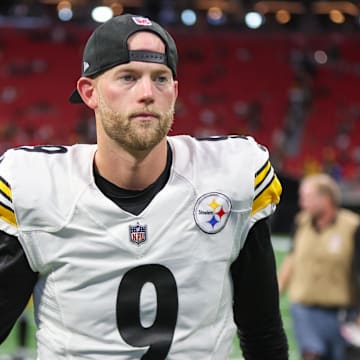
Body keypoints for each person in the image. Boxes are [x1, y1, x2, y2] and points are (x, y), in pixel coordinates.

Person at [0, 14, 288, 359]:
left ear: (175, 92)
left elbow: (263, 333)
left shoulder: (230, 176)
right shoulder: (38, 187)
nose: (148, 93)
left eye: (161, 79)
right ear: (89, 92)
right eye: (128, 77)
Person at [278, 173, 360, 360]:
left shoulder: (352, 226)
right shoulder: (301, 222)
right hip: (304, 308)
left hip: (341, 311)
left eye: (307, 197)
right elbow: (291, 258)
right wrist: (277, 292)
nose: (302, 203)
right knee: (311, 353)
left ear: (326, 198)